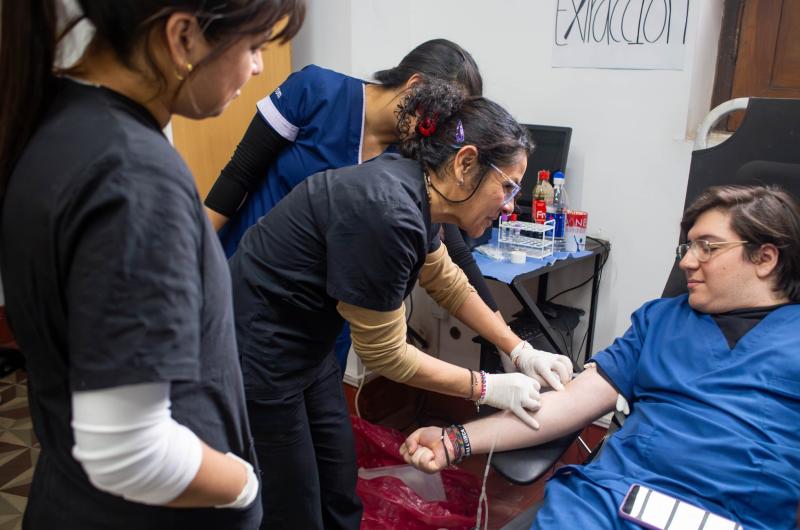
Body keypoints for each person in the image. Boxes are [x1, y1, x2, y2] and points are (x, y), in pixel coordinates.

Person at [0, 1, 304, 529]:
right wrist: (244, 485)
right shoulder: (133, 177)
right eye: (253, 47)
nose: (258, 68)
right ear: (183, 37)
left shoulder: (60, 119)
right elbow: (128, 450)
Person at [228, 81, 574, 530]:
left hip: (305, 348)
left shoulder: (418, 191)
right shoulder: (386, 210)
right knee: (292, 502)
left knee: (337, 477)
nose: (509, 207)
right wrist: (487, 387)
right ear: (466, 163)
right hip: (258, 349)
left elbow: (446, 279)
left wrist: (520, 349)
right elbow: (385, 354)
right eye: (506, 188)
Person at [401, 185, 800, 530]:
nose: (686, 261)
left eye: (708, 247)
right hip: (609, 502)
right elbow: (571, 403)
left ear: (765, 258)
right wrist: (454, 441)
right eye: (688, 246)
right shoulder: (659, 320)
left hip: (730, 516)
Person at [203, 39, 504, 370]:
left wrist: (508, 341)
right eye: (442, 120)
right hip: (250, 279)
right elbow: (237, 178)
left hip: (323, 315)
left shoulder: (413, 158)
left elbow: (452, 253)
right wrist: (193, 262)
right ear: (415, 88)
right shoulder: (317, 91)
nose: (441, 137)